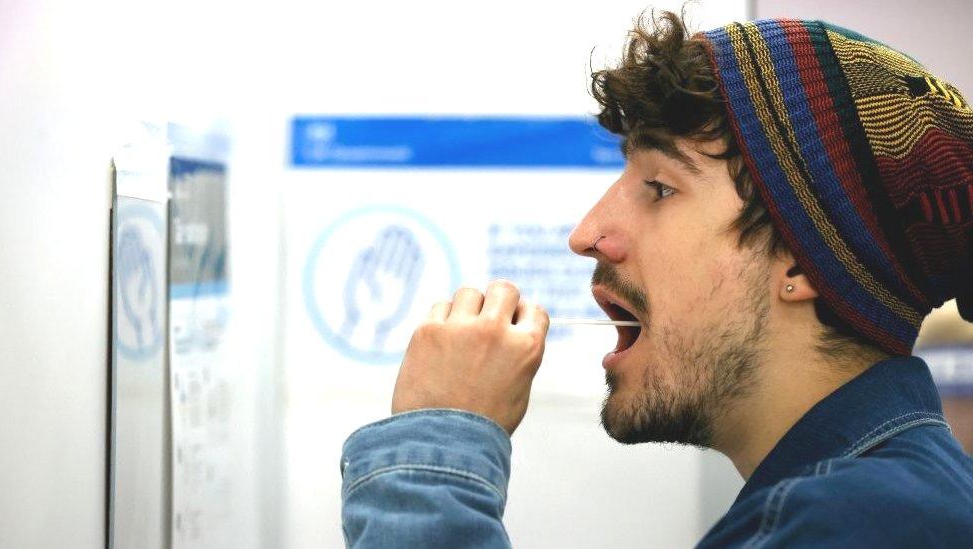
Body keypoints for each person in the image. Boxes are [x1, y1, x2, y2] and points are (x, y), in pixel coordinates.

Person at [339, 11, 973, 547]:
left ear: (803, 263)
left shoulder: (856, 524)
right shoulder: (870, 497)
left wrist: (433, 450)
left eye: (660, 188)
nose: (586, 232)